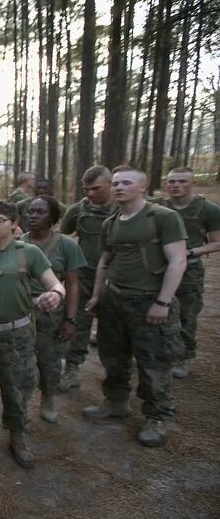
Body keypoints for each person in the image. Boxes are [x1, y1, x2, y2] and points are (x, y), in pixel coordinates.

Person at [83, 167, 187, 447]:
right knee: (113, 356)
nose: (119, 188)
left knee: (153, 362)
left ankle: (159, 417)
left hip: (149, 300)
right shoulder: (112, 221)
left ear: (143, 187)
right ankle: (116, 402)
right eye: (115, 183)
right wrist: (96, 297)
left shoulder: (163, 217)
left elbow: (178, 261)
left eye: (126, 183)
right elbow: (105, 261)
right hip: (115, 300)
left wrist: (163, 302)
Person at [0, 201, 66, 468]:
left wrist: (55, 295)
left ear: (15, 224)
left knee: (18, 387)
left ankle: (18, 436)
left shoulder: (29, 253)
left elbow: (56, 284)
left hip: (17, 335)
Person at [21, 197, 86, 423]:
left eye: (40, 212)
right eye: (30, 211)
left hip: (51, 312)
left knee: (49, 359)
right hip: (22, 312)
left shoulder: (66, 245)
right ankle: (21, 403)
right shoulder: (17, 243)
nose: (33, 216)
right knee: (20, 360)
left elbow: (73, 284)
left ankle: (48, 397)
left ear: (52, 217)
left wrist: (70, 319)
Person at [59, 166, 118, 393]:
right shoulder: (78, 209)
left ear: (110, 184)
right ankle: (72, 368)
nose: (91, 194)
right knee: (78, 321)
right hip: (84, 274)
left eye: (96, 188)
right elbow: (64, 236)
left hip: (116, 276)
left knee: (113, 326)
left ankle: (115, 378)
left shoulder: (123, 208)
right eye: (87, 189)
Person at [159, 167, 220, 378]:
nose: (176, 185)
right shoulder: (157, 207)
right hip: (158, 268)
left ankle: (183, 357)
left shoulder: (208, 210)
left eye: (182, 181)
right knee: (156, 309)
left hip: (189, 270)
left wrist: (191, 252)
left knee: (186, 313)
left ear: (192, 183)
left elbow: (217, 243)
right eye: (172, 181)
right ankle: (156, 352)